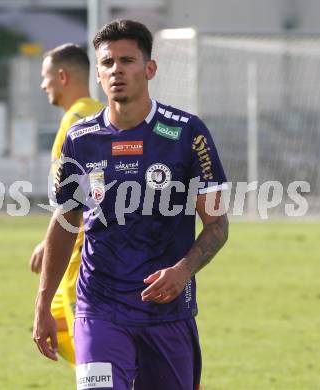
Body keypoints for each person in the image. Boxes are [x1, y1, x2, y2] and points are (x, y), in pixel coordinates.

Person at [33, 20, 229, 389]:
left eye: (127, 60)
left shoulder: (187, 133)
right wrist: (43, 303)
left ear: (149, 68)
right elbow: (65, 221)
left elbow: (217, 225)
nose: (117, 70)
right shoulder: (81, 139)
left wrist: (184, 270)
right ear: (98, 73)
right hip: (99, 310)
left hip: (167, 313)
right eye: (108, 63)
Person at [30, 43, 104, 366]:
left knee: (95, 360)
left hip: (81, 264)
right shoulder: (101, 112)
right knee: (58, 336)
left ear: (62, 76)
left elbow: (82, 201)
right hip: (86, 251)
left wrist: (61, 239)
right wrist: (49, 242)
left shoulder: (74, 124)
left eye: (46, 76)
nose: (43, 84)